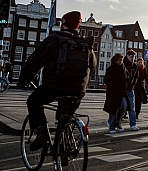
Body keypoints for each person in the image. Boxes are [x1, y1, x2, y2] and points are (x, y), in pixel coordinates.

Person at [17, 11, 97, 150]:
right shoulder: (86, 44)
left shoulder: (54, 40)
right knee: (65, 115)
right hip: (78, 90)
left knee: (33, 101)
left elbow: (34, 61)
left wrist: (24, 80)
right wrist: (82, 85)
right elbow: (93, 66)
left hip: (54, 86)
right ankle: (63, 145)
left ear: (63, 24)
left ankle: (42, 133)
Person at [104, 54, 127, 134]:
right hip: (113, 92)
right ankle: (112, 125)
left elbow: (126, 78)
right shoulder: (110, 69)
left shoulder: (123, 68)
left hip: (122, 92)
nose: (120, 62)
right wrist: (114, 86)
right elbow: (106, 80)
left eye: (121, 60)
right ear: (115, 60)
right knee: (113, 109)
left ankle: (118, 121)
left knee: (124, 106)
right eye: (119, 60)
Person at [120, 49, 139, 131]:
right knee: (122, 107)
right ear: (127, 56)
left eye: (134, 57)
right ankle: (117, 122)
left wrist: (132, 85)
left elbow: (136, 77)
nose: (132, 58)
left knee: (132, 107)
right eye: (131, 56)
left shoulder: (135, 66)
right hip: (122, 89)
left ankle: (133, 124)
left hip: (130, 89)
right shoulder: (123, 65)